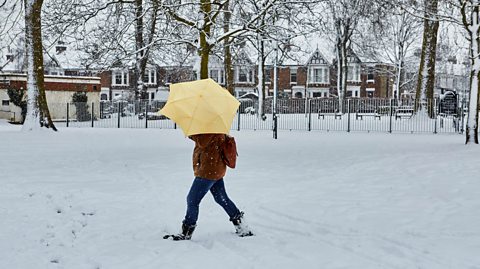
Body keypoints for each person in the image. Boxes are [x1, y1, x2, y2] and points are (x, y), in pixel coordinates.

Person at [164, 133, 253, 241]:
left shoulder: (209, 130)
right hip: (216, 168)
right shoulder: (216, 128)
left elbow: (202, 141)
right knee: (221, 198)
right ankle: (241, 225)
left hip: (208, 171)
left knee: (192, 200)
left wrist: (191, 133)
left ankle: (186, 231)